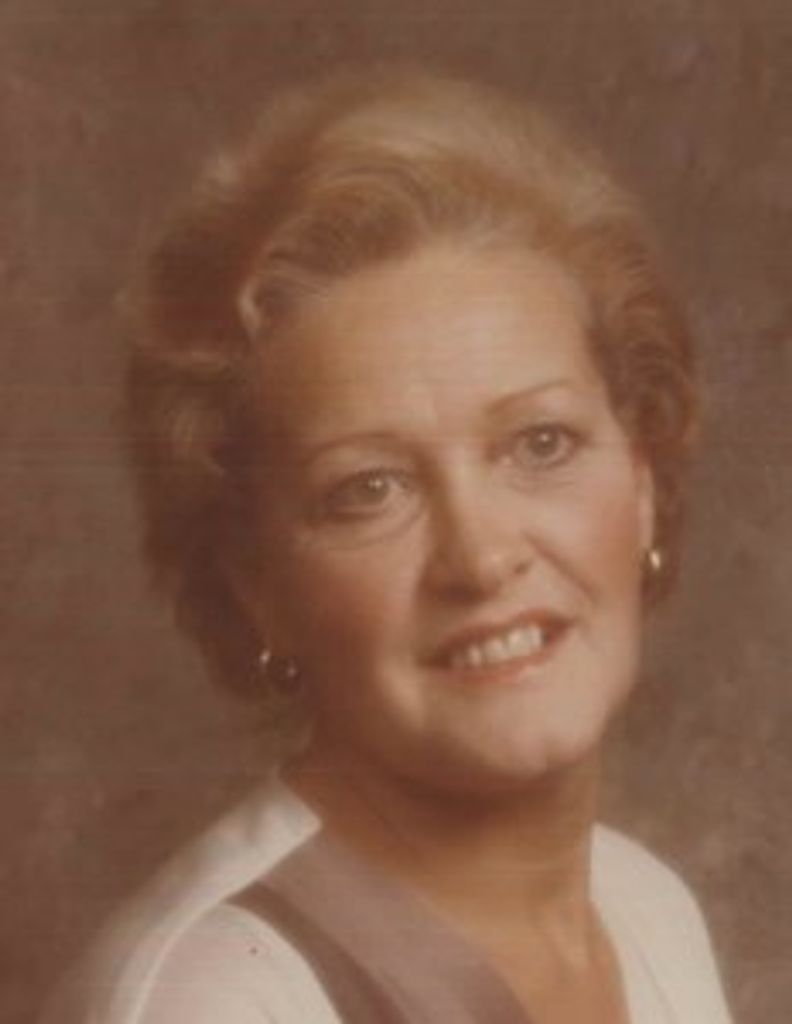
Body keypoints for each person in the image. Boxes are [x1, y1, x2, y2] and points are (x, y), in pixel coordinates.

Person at [44, 68, 733, 1024]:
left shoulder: (646, 908)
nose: (481, 559)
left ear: (644, 480)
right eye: (370, 489)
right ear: (254, 584)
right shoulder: (218, 1000)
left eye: (541, 444)